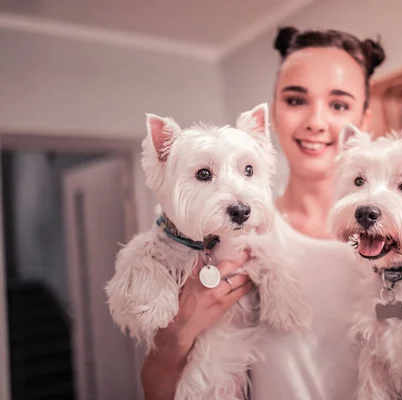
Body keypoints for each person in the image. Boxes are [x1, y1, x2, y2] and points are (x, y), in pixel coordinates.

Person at [140, 25, 386, 400]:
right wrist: (175, 336)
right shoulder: (221, 238)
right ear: (273, 114)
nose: (315, 122)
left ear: (364, 120)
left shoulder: (401, 241)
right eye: (296, 100)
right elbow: (155, 391)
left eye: (338, 105)